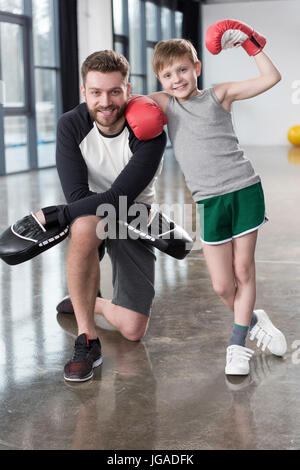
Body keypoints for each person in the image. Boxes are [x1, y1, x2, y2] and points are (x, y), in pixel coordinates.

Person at [146, 20, 287, 375]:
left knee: (244, 269)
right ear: (160, 81)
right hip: (209, 201)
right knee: (223, 285)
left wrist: (250, 44)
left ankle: (237, 345)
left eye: (182, 69)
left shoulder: (218, 94)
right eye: (167, 75)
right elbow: (123, 105)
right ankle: (254, 321)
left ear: (196, 68)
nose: (176, 79)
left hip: (244, 189)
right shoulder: (164, 104)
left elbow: (271, 78)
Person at [40, 50, 167, 382]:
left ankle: (88, 301)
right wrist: (72, 214)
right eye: (96, 92)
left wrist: (58, 215)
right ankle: (87, 337)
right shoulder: (71, 124)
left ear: (129, 88)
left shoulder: (149, 130)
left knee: (132, 330)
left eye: (114, 91)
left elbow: (117, 198)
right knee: (83, 227)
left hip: (134, 215)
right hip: (90, 215)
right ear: (84, 92)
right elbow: (79, 197)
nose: (105, 101)